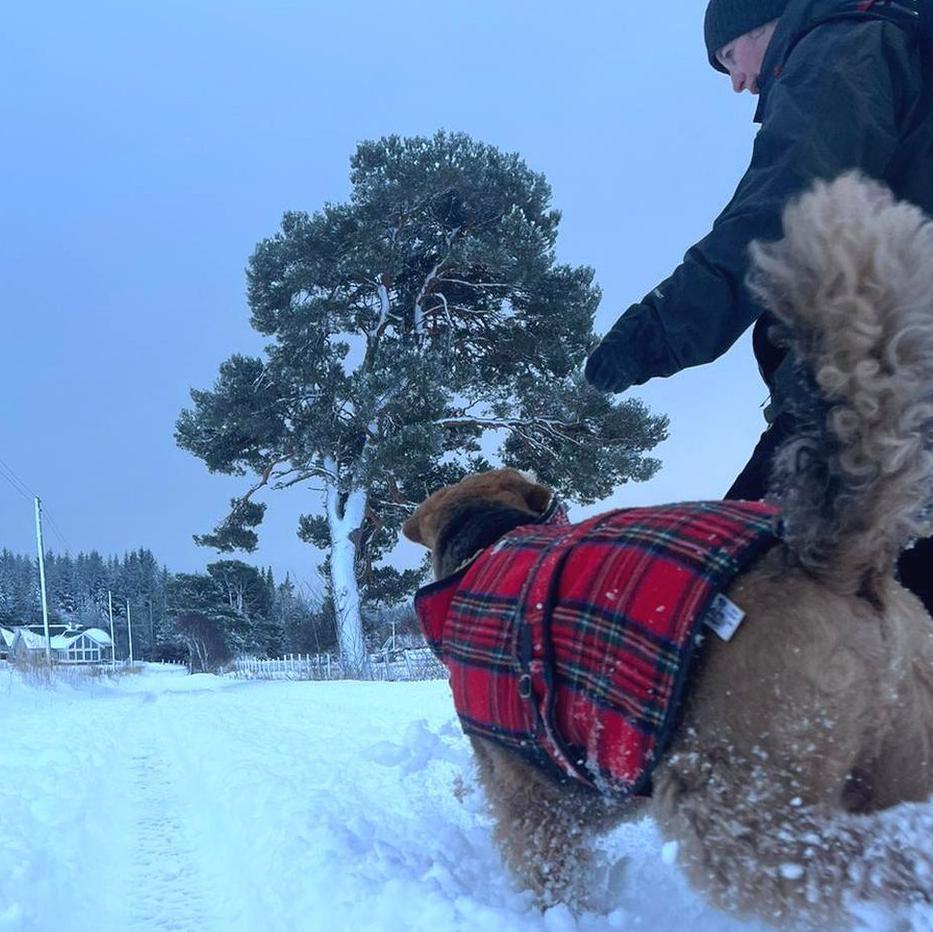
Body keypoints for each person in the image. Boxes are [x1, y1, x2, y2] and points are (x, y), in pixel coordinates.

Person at [584, 0, 933, 612]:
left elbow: (785, 211)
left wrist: (655, 331)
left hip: (879, 399)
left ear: (763, 22)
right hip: (889, 389)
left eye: (729, 58)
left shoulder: (841, 48)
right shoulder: (889, 45)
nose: (738, 82)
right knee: (891, 617)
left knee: (737, 595)